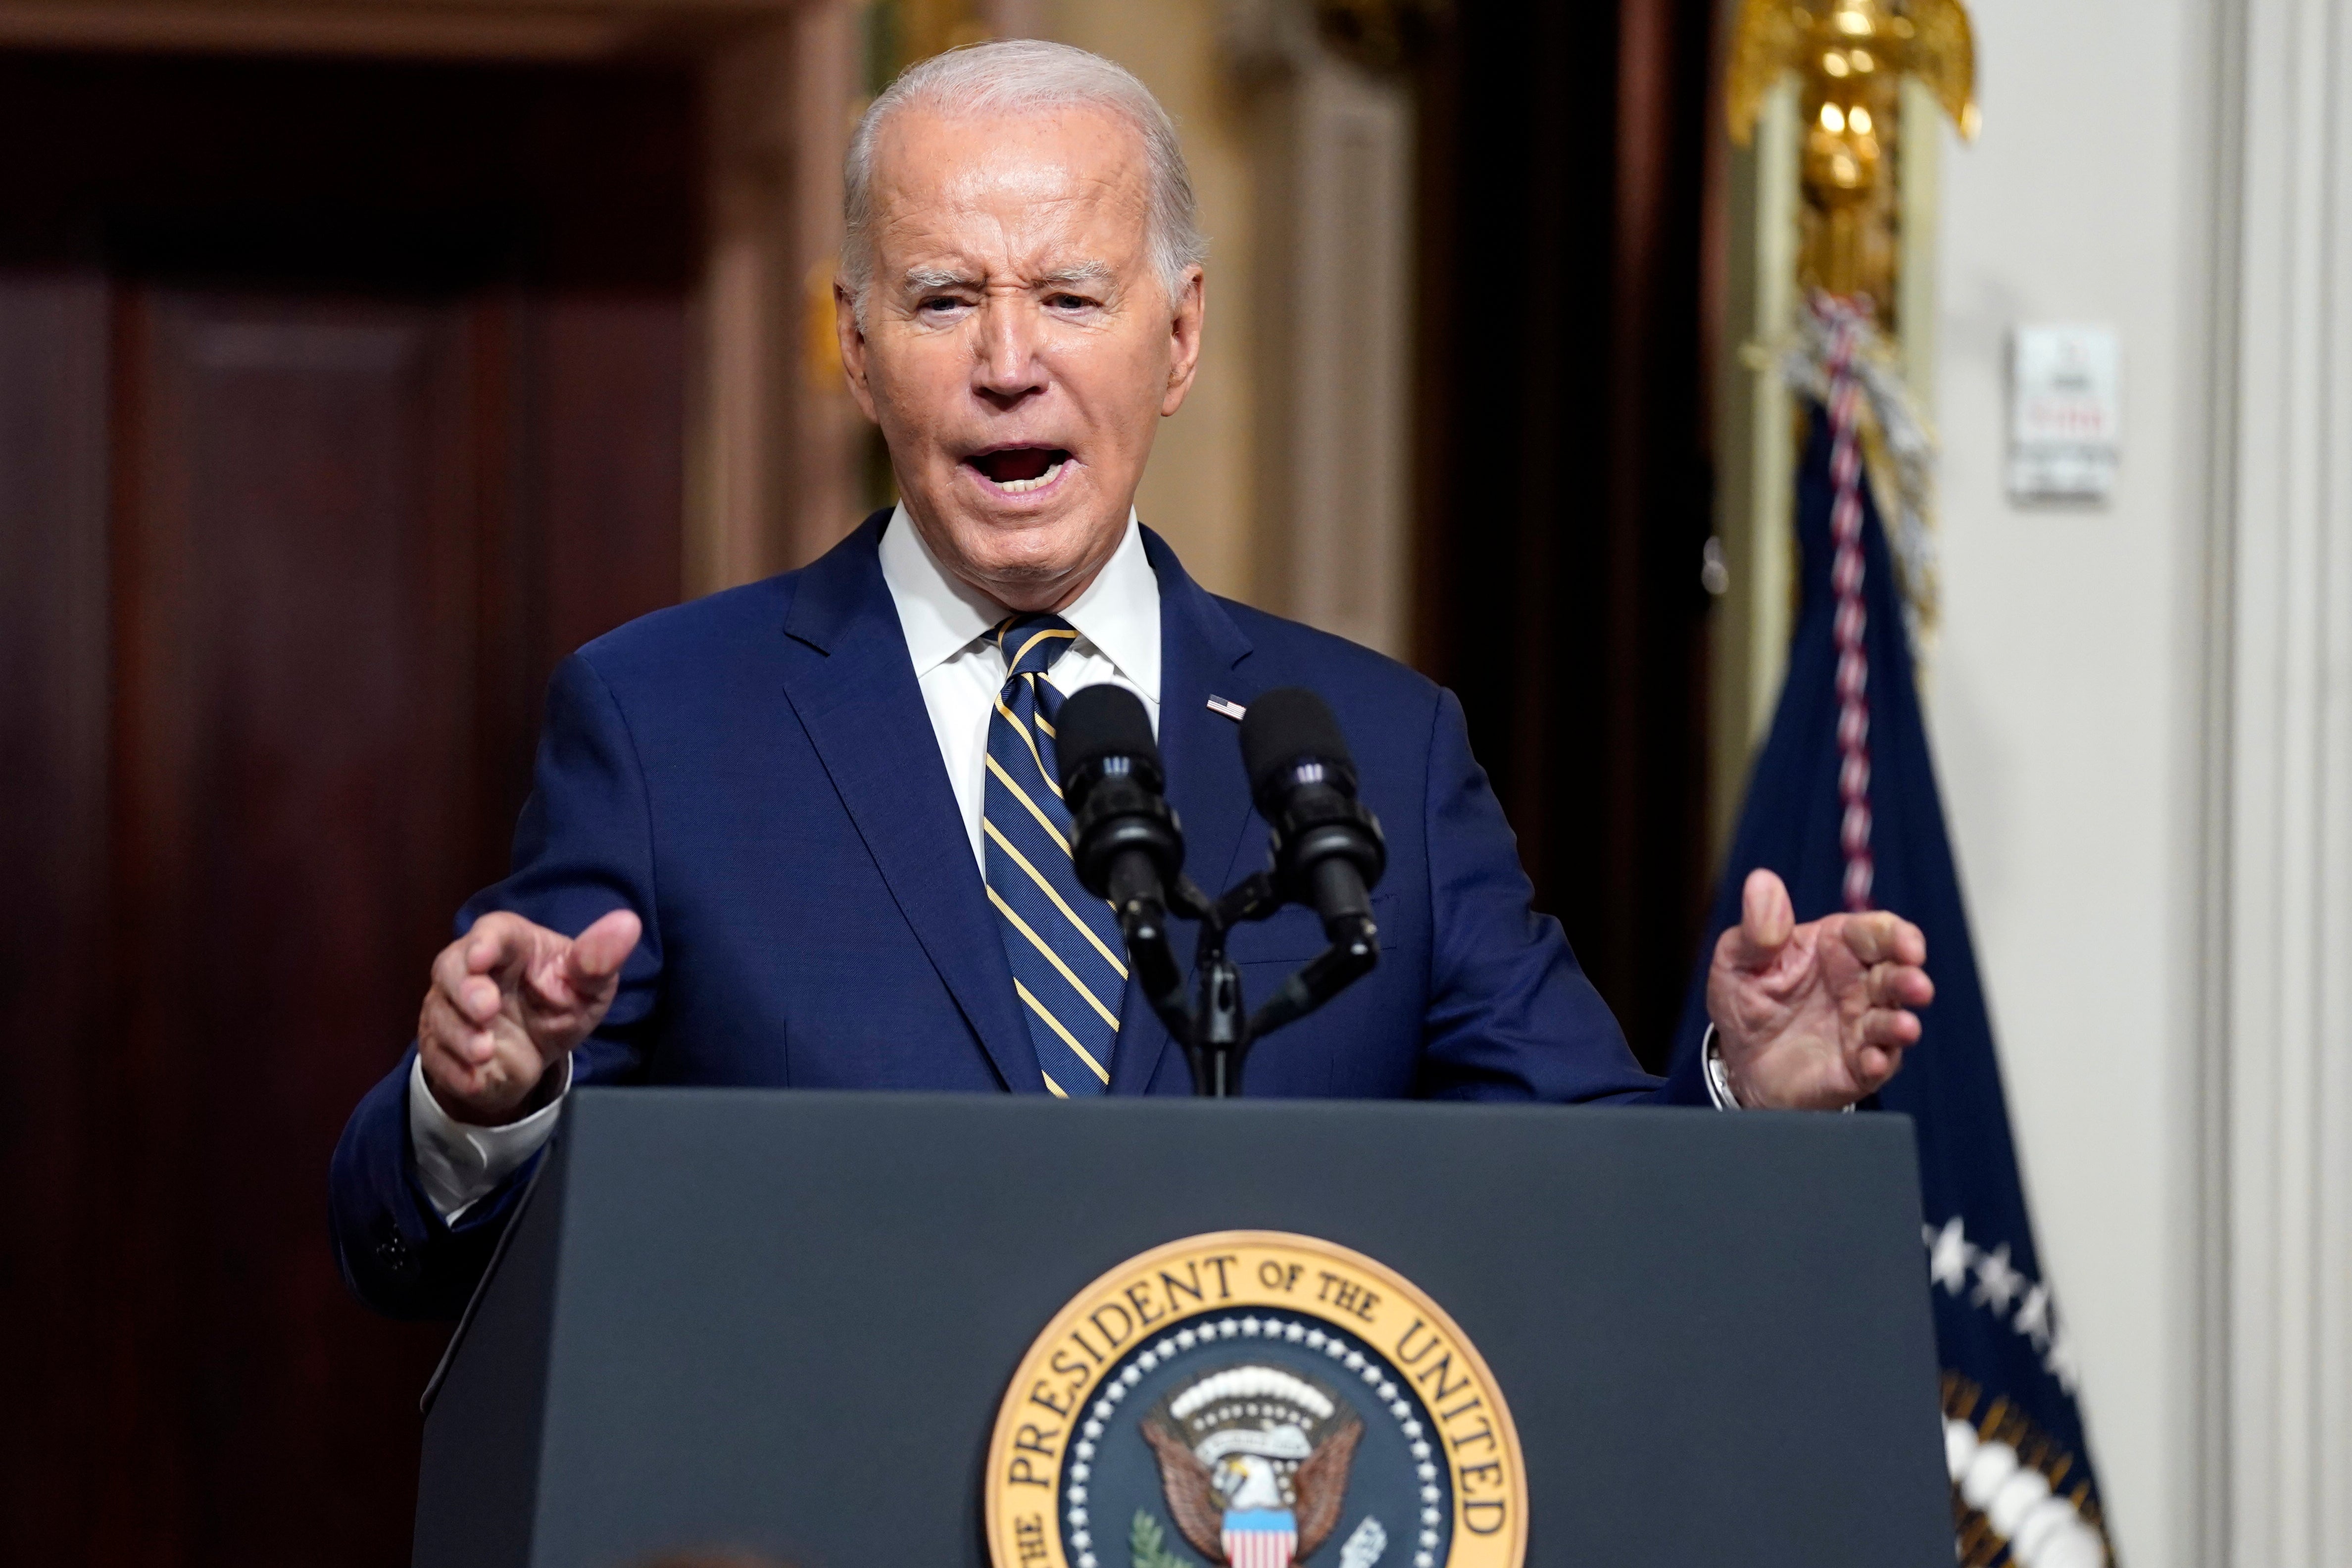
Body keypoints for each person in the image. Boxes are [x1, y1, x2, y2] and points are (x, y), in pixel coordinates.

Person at [330, 40, 1932, 1320]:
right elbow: (424, 1260)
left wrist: (1745, 1105)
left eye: (1073, 297)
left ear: (1177, 342)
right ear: (857, 344)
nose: (1008, 359)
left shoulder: (1376, 746)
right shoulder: (665, 722)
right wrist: (484, 1106)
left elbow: (1586, 1205)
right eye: (944, 297)